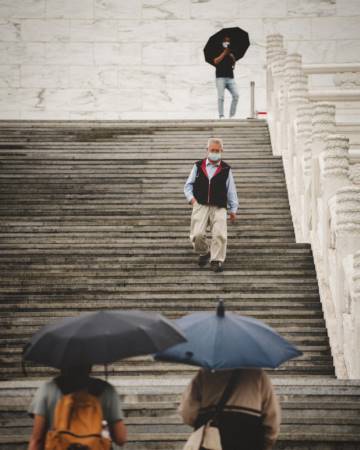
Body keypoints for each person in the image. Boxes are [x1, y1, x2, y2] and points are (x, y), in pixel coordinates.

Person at [27, 365, 127, 450]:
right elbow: (120, 438)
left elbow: (37, 440)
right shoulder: (106, 390)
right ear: (90, 366)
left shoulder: (47, 389)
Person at [179, 368, 281, 450]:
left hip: (211, 439)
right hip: (249, 439)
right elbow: (272, 419)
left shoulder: (204, 373)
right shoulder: (259, 375)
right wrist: (266, 444)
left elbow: (187, 413)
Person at [184, 138, 238, 272]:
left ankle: (216, 260)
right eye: (212, 150)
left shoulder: (226, 169)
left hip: (219, 206)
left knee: (220, 234)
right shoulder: (198, 166)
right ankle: (204, 252)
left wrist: (233, 209)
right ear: (207, 150)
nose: (214, 153)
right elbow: (188, 186)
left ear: (221, 151)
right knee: (197, 235)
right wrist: (193, 201)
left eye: (217, 151)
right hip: (200, 204)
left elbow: (231, 190)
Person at [213, 35, 239, 119]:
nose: (227, 42)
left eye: (228, 41)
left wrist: (233, 59)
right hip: (220, 77)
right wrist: (224, 53)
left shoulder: (231, 51)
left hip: (230, 77)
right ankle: (221, 115)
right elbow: (215, 61)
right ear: (222, 42)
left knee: (236, 95)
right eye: (225, 41)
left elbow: (233, 65)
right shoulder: (217, 49)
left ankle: (232, 115)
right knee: (221, 97)